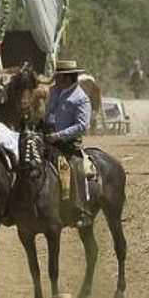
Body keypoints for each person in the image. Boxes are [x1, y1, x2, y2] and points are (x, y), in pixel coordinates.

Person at [44, 60, 93, 228]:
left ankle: (79, 210)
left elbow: (82, 126)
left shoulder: (81, 98)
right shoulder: (53, 92)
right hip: (47, 138)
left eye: (59, 77)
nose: (56, 80)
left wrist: (58, 136)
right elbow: (47, 113)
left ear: (68, 78)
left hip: (68, 144)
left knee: (75, 167)